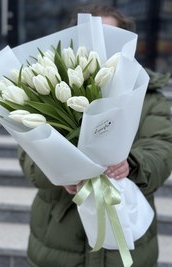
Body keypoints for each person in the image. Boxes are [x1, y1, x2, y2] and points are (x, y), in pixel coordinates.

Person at [18, 4, 172, 267]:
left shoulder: (148, 96)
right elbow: (29, 155)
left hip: (128, 232)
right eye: (92, 37)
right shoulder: (48, 92)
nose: (101, 46)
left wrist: (131, 164)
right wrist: (59, 173)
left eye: (111, 37)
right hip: (59, 236)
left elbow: (163, 146)